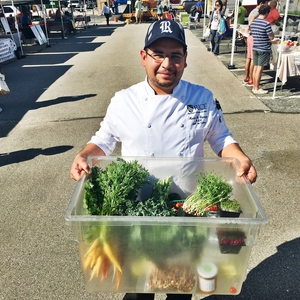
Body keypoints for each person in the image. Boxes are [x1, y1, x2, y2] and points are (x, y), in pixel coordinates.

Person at [70, 19, 257, 299]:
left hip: (186, 213)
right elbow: (104, 140)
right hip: (137, 217)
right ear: (144, 57)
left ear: (185, 60)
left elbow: (221, 139)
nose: (166, 64)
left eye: (175, 55)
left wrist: (239, 156)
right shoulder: (124, 101)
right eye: (158, 54)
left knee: (180, 285)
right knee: (137, 288)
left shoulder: (202, 98)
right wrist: (84, 155)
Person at [250, 5, 274, 94]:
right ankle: (256, 88)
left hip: (256, 46)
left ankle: (254, 86)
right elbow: (271, 37)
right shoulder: (266, 23)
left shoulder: (254, 22)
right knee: (260, 69)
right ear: (267, 13)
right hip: (263, 47)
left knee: (256, 67)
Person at [243, 0, 268, 85]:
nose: (266, 5)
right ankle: (251, 79)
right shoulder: (257, 11)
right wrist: (250, 28)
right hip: (254, 36)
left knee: (249, 58)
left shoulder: (253, 10)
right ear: (261, 3)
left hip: (250, 36)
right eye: (266, 4)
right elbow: (251, 22)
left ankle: (247, 77)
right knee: (253, 59)